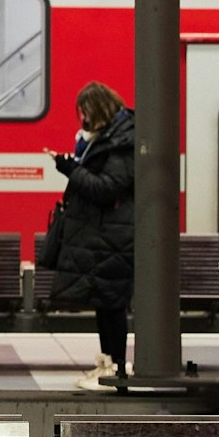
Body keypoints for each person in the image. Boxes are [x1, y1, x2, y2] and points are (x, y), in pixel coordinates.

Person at [47, 82, 135, 390]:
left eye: (85, 113)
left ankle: (117, 369)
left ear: (96, 110)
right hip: (104, 236)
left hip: (115, 237)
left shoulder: (121, 143)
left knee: (111, 304)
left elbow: (107, 187)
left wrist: (70, 169)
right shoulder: (111, 139)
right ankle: (108, 365)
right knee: (104, 302)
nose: (82, 120)